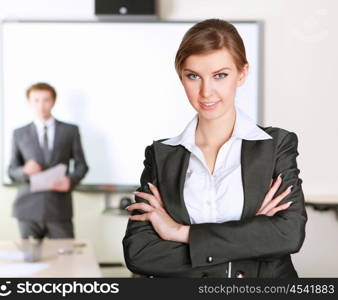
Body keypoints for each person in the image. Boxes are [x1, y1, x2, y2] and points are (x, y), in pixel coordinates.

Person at [122, 19, 307, 278]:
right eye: (193, 76)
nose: (206, 91)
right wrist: (253, 234)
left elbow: (288, 235)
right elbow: (140, 253)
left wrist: (179, 233)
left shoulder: (276, 146)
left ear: (241, 74)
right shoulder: (162, 156)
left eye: (220, 75)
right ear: (181, 77)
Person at [8, 82, 89, 239]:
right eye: (36, 100)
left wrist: (70, 180)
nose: (41, 105)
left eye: (46, 100)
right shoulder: (19, 133)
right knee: (31, 260)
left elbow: (82, 166)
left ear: (53, 101)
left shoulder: (70, 131)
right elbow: (11, 171)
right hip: (27, 208)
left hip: (58, 208)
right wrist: (24, 170)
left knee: (65, 258)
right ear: (29, 102)